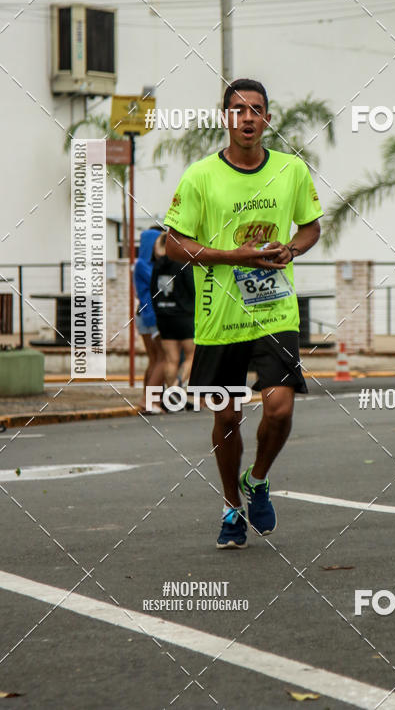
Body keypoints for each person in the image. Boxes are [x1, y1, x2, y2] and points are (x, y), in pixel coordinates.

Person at [164, 78, 322, 549]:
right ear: (225, 117)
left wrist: (291, 250)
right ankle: (232, 505)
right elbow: (173, 244)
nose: (247, 117)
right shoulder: (200, 176)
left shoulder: (292, 170)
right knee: (228, 417)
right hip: (218, 316)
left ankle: (258, 479)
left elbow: (310, 227)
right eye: (238, 109)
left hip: (274, 311)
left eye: (256, 109)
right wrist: (233, 256)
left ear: (268, 119)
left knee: (279, 407)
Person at [150, 232, 196, 399]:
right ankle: (178, 385)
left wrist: (159, 310)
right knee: (192, 355)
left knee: (171, 359)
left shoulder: (158, 264)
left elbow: (152, 291)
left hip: (163, 316)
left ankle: (174, 393)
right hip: (184, 316)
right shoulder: (184, 263)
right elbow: (193, 289)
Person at [133, 226, 165, 414]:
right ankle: (150, 401)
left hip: (144, 315)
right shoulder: (146, 266)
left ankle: (149, 399)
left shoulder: (141, 264)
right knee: (164, 358)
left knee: (154, 359)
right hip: (151, 315)